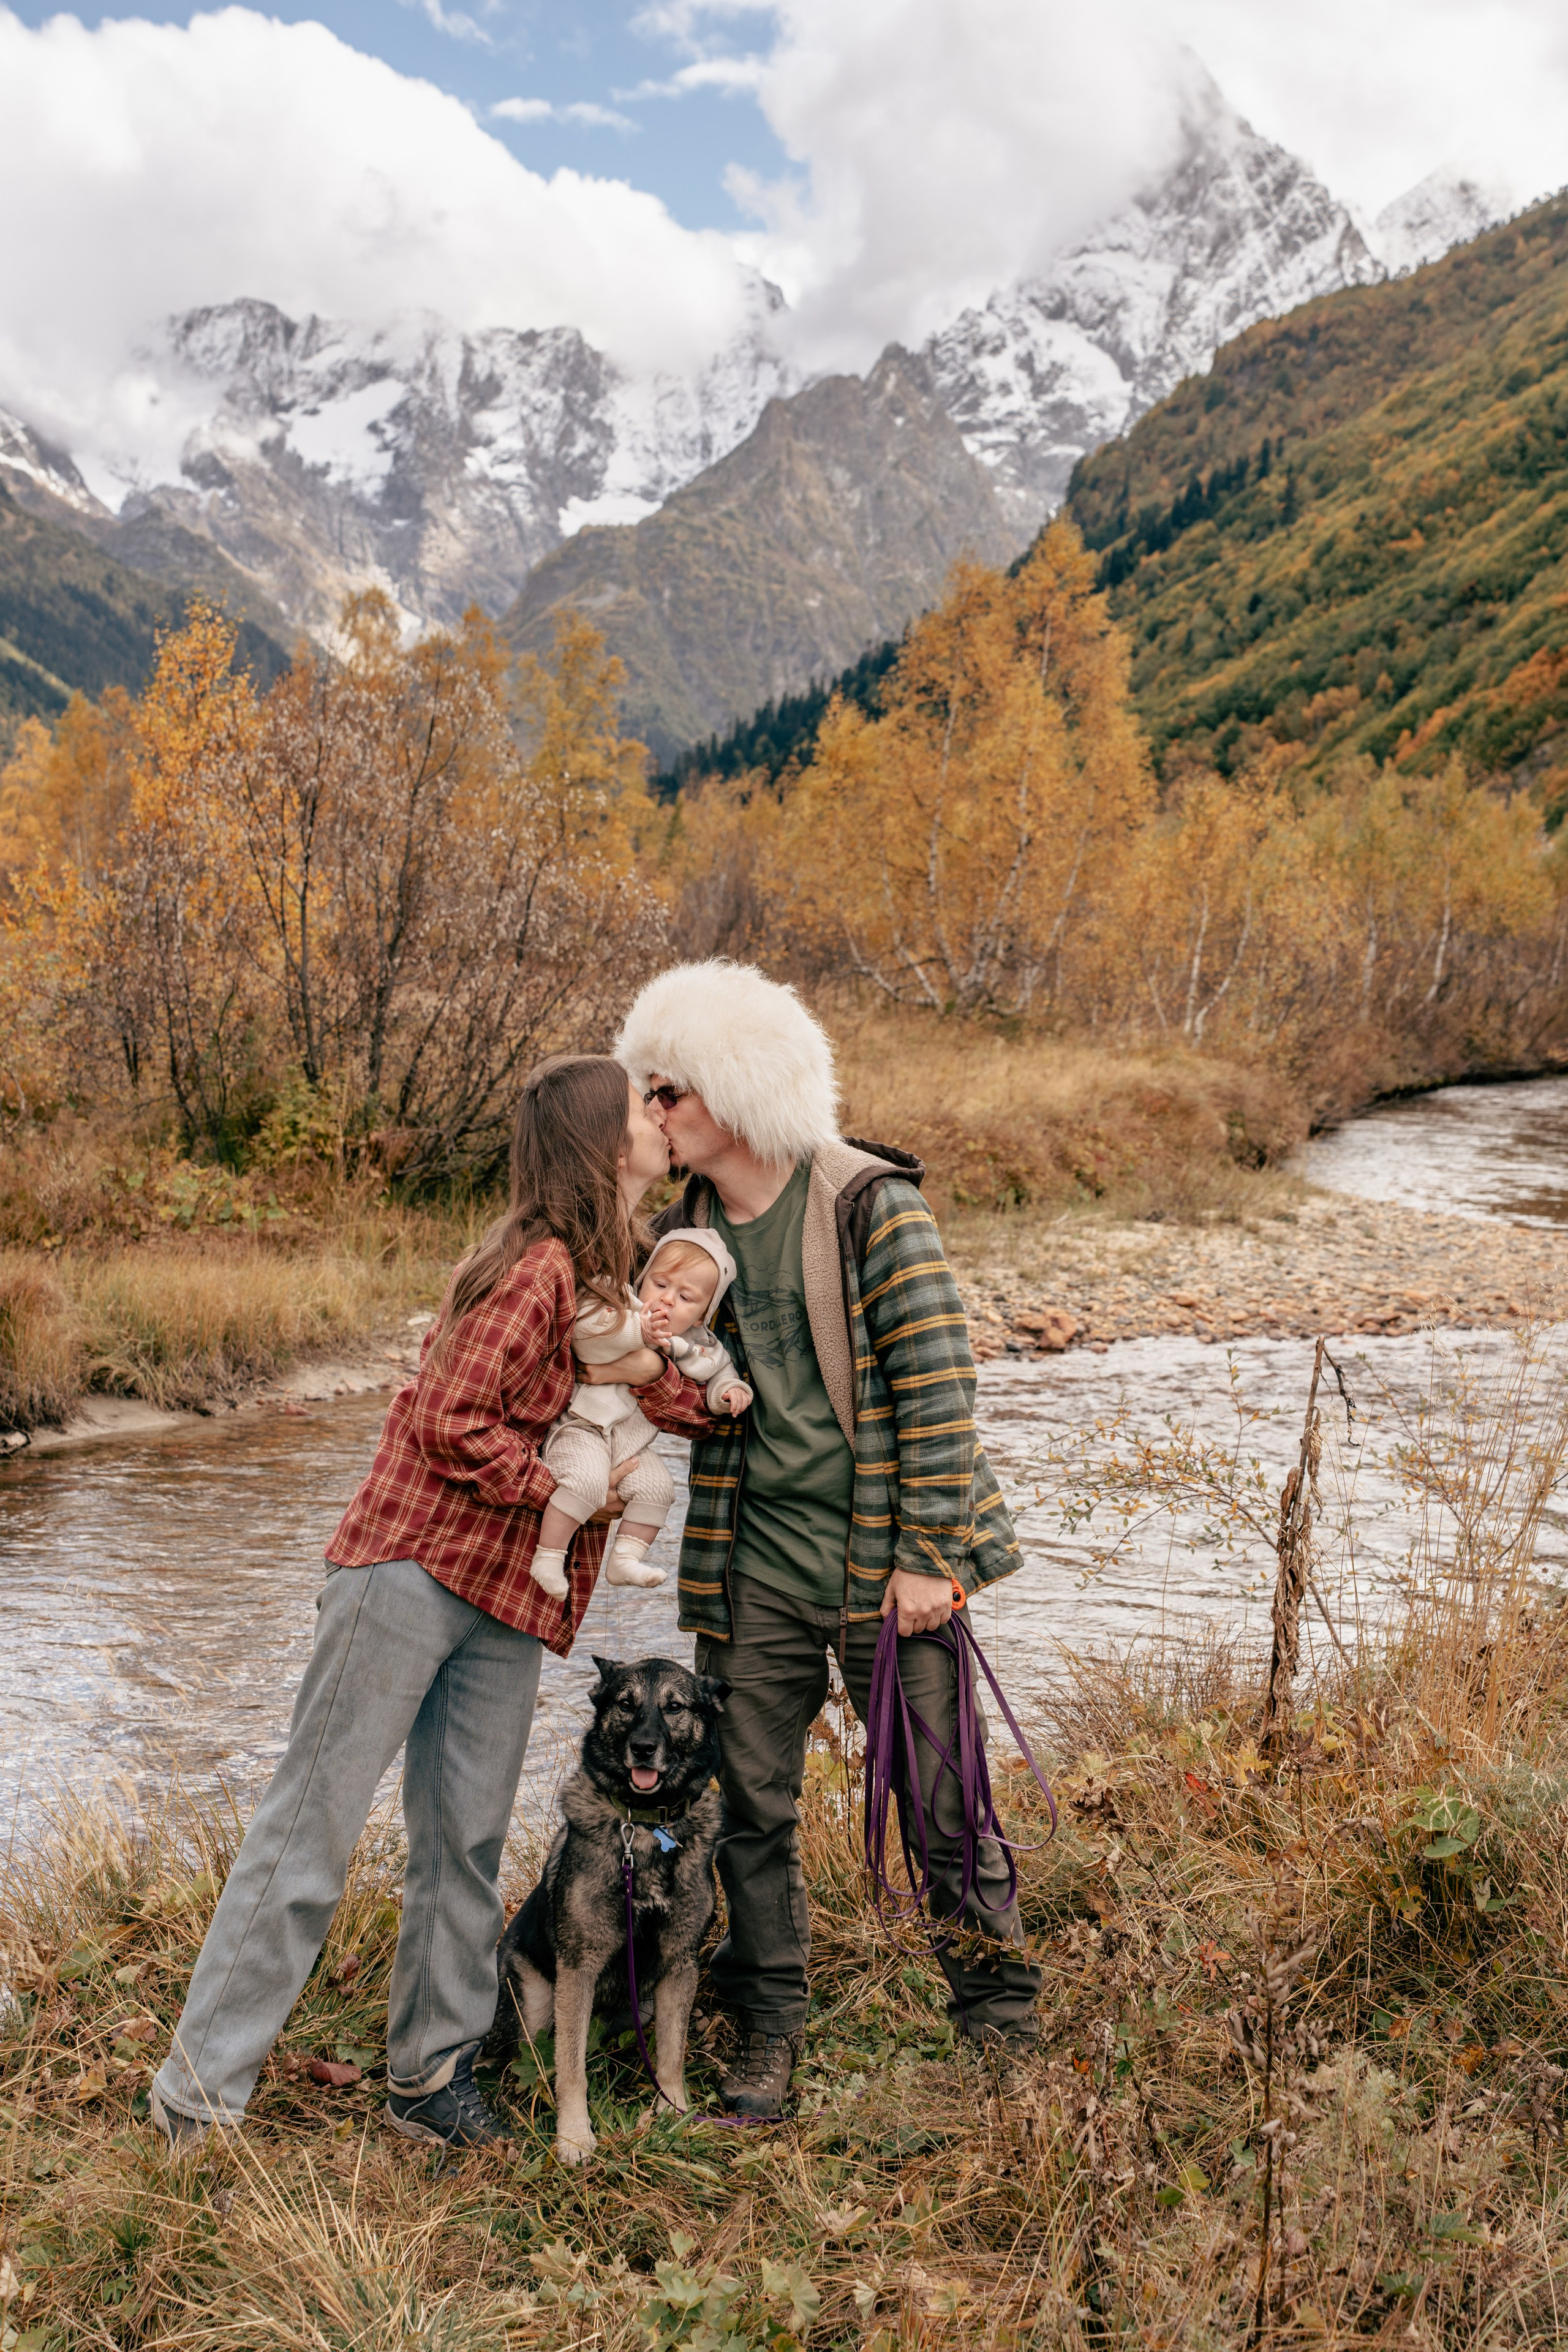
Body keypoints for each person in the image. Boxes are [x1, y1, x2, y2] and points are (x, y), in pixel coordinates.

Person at [149, 1054, 711, 2152]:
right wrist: (565, 1495)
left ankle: (431, 2080)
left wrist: (701, 1384)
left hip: (505, 1596)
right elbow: (450, 1418)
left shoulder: (619, 1278)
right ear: (599, 1140)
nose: (659, 1116)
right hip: (408, 1570)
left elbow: (672, 1395)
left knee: (464, 1844)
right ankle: (196, 2100)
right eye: (639, 1104)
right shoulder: (539, 1268)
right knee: (309, 1833)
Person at [616, 960, 1043, 2120]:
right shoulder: (681, 1235)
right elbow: (676, 1394)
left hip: (887, 1566)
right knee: (746, 1810)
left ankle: (1002, 2034)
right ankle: (768, 2037)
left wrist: (928, 1558)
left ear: (735, 1087)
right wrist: (658, 1387)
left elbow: (940, 1388)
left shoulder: (868, 1203)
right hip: (749, 1568)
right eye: (649, 1092)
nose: (653, 1112)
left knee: (944, 1805)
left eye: (669, 1091)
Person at [530, 1227, 752, 1600]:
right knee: (585, 1481)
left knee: (659, 1488)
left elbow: (718, 1372)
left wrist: (729, 1393)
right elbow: (587, 1337)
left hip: (631, 1446)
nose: (666, 1299)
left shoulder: (698, 1345)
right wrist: (639, 1332)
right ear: (642, 1279)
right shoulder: (620, 1307)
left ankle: (626, 1559)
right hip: (582, 1428)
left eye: (685, 1297)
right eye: (660, 1284)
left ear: (702, 1316)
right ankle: (549, 1557)